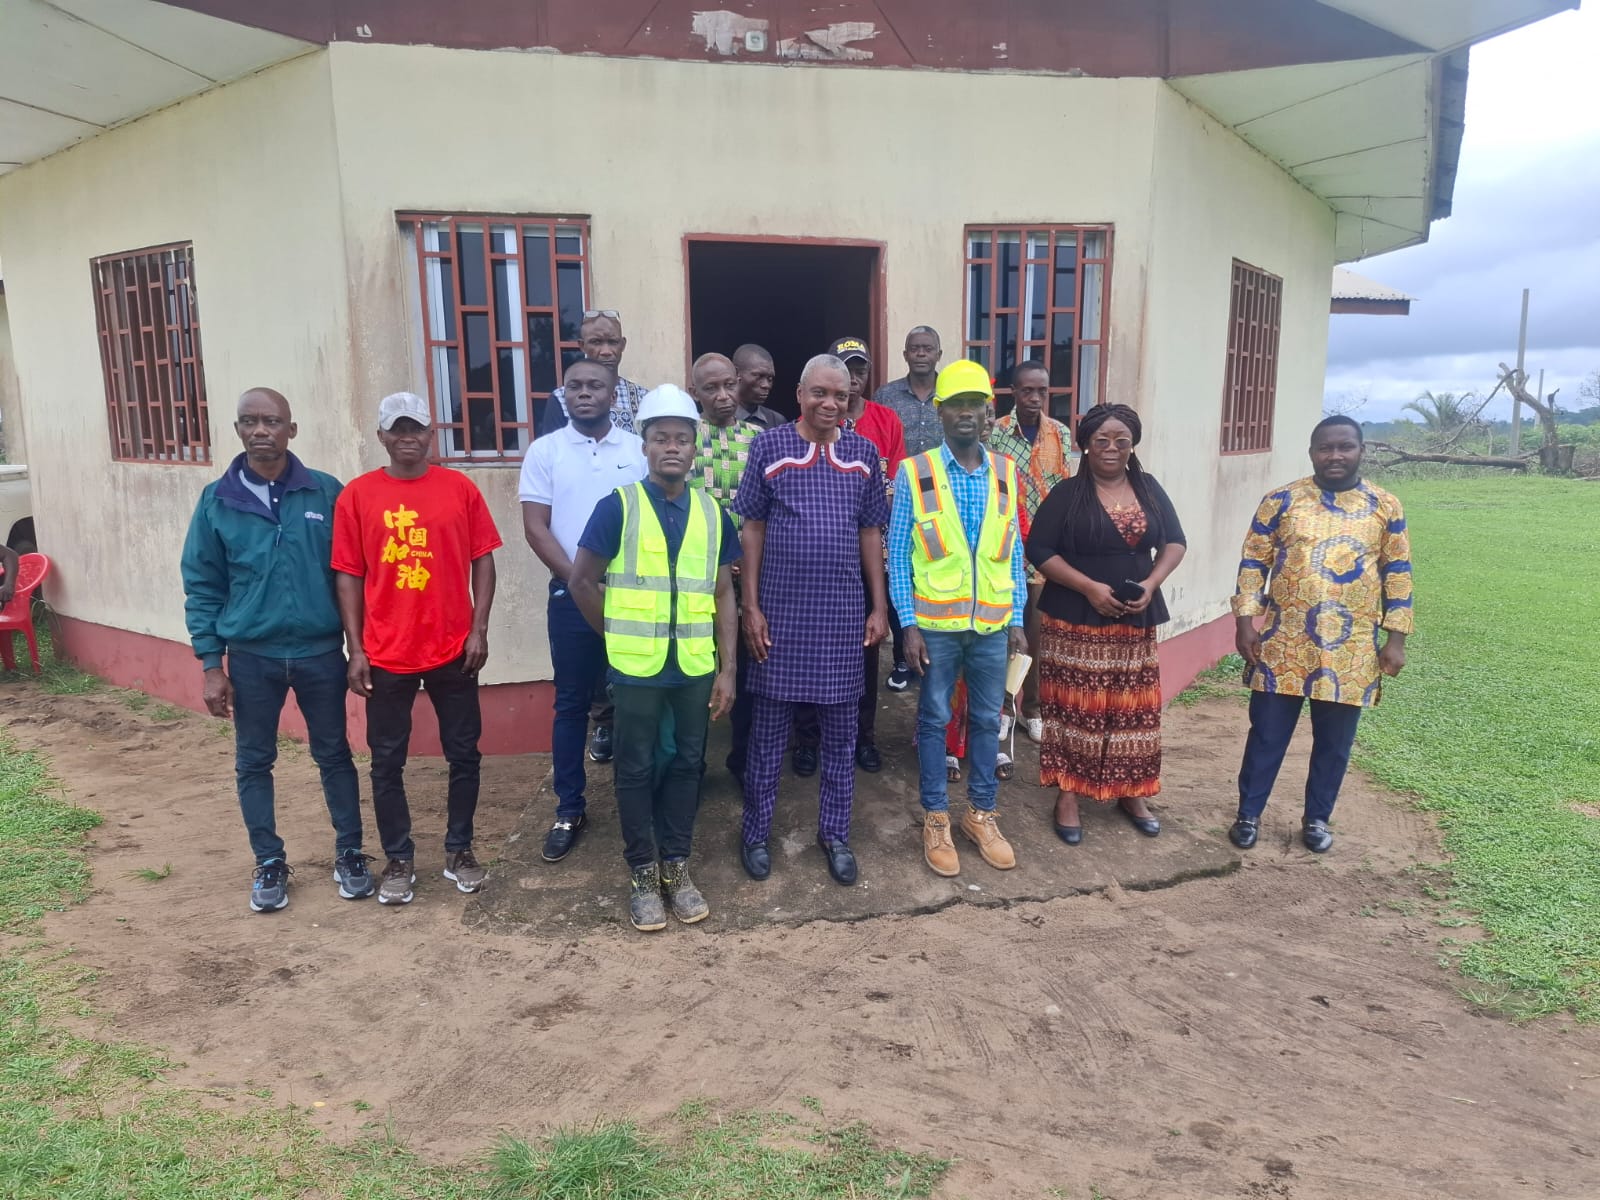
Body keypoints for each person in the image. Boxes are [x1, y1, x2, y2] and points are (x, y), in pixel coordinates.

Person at [181, 387, 366, 912]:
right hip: (252, 657)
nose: (261, 430)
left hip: (319, 652)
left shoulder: (326, 493)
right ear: (237, 429)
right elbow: (202, 584)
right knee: (254, 761)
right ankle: (268, 860)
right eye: (250, 421)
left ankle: (351, 852)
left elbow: (352, 575)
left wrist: (358, 647)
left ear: (291, 429)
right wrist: (211, 665)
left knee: (334, 754)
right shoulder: (217, 501)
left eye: (272, 421)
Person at [569, 385, 740, 931]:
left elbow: (723, 593)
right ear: (644, 445)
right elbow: (581, 581)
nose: (672, 447)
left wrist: (728, 668)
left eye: (681, 439)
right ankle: (642, 872)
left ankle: (677, 866)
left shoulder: (713, 513)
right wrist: (616, 637)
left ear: (694, 448)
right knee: (636, 767)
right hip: (637, 669)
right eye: (661, 438)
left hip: (693, 666)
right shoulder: (617, 507)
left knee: (689, 763)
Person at [333, 392, 502, 905]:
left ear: (432, 434)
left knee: (464, 753)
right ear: (381, 436)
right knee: (387, 760)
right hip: (387, 651)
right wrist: (356, 649)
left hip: (454, 647)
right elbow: (348, 575)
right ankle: (398, 858)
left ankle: (460, 850)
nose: (407, 437)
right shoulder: (357, 496)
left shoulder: (459, 489)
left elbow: (484, 558)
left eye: (416, 428)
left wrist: (479, 628)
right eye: (397, 429)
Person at [733, 355, 890, 886]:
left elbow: (871, 532)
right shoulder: (769, 446)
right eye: (819, 393)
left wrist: (878, 606)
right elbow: (752, 528)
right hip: (779, 612)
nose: (830, 403)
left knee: (841, 735)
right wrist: (751, 606)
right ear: (800, 394)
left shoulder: (864, 453)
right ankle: (756, 833)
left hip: (842, 614)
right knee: (768, 733)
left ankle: (835, 833)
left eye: (840, 395)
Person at [1230, 415, 1413, 854]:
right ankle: (1248, 814)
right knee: (1266, 735)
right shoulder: (1281, 501)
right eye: (1325, 447)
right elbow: (1253, 563)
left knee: (1334, 744)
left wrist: (1396, 639)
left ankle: (1316, 819)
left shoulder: (1385, 506)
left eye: (1345, 446)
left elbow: (1398, 574)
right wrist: (1245, 623)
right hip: (1284, 642)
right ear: (1312, 452)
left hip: (1351, 650)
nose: (1335, 455)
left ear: (1361, 451)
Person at [888, 361, 1028, 877]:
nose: (966, 413)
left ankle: (981, 815)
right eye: (956, 405)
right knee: (934, 719)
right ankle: (937, 818)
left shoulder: (1006, 473)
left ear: (988, 412)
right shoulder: (915, 471)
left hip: (991, 626)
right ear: (940, 413)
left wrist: (1016, 617)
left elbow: (1012, 551)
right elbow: (898, 554)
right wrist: (908, 625)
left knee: (989, 720)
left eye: (975, 404)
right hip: (936, 627)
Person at [1026, 403, 1187, 845]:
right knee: (1077, 707)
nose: (1112, 448)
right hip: (1076, 621)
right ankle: (1069, 794)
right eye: (1102, 440)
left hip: (1135, 619)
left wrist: (1151, 584)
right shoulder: (1067, 494)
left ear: (1133, 445)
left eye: (1121, 440)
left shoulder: (1149, 488)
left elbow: (1175, 541)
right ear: (1086, 446)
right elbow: (1039, 549)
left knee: (1133, 707)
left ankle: (1131, 791)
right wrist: (1089, 588)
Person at [520, 358, 647, 863]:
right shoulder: (545, 451)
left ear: (614, 396)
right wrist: (579, 580)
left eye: (595, 386)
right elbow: (536, 527)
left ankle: (637, 803)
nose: (585, 393)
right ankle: (569, 808)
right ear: (564, 395)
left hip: (631, 597)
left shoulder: (637, 451)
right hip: (570, 597)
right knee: (571, 704)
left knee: (635, 702)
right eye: (575, 386)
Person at [791, 336, 906, 775]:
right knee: (808, 650)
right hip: (815, 560)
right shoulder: (804, 427)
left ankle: (862, 736)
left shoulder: (885, 421)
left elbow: (893, 486)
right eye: (846, 370)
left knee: (864, 650)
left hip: (869, 549)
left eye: (859, 371)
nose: (853, 380)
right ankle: (808, 739)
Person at [987, 359, 1072, 742]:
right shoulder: (997, 433)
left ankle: (1033, 708)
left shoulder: (1060, 434)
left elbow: (1065, 490)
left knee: (1038, 636)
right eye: (1027, 390)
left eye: (1041, 391)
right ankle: (1004, 707)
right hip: (1005, 550)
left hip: (1044, 556)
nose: (1035, 398)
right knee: (1007, 634)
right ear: (1014, 392)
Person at [687, 352, 761, 786]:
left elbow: (766, 510)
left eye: (729, 385)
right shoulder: (684, 438)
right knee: (698, 674)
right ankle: (691, 766)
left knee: (749, 672)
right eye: (711, 388)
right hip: (696, 577)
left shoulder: (759, 439)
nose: (723, 396)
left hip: (749, 575)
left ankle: (744, 761)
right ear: (694, 392)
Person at [875, 326, 944, 690]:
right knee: (898, 575)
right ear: (904, 355)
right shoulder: (886, 396)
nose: (920, 353)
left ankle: (936, 655)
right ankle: (903, 658)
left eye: (927, 348)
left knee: (935, 575)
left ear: (938, 354)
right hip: (898, 500)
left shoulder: (949, 395)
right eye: (914, 348)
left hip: (942, 502)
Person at [541, 311, 649, 435]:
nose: (606, 351)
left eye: (613, 342)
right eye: (596, 342)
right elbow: (552, 445)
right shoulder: (561, 399)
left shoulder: (643, 398)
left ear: (622, 345)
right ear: (582, 346)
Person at [732, 343, 785, 429]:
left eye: (770, 379)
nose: (766, 385)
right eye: (758, 376)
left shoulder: (777, 421)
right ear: (736, 373)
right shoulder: (717, 418)